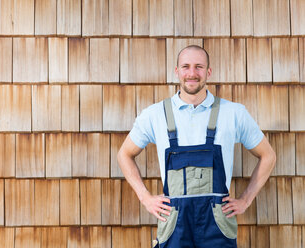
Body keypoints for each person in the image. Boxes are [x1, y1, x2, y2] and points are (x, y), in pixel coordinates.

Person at [117, 45, 276, 248]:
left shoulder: (233, 113)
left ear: (208, 72)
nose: (192, 73)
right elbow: (124, 154)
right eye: (186, 66)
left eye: (199, 67)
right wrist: (145, 197)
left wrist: (245, 200)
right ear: (177, 71)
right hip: (174, 223)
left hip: (217, 225)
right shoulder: (155, 114)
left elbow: (268, 155)